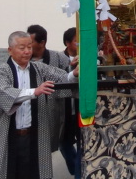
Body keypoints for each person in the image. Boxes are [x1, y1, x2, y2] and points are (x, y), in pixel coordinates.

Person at [0, 31, 77, 179]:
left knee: (35, 173)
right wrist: (35, 91)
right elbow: (5, 94)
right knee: (7, 173)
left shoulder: (39, 68)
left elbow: (62, 78)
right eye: (22, 48)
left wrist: (74, 73)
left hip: (35, 133)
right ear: (10, 50)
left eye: (29, 47)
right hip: (8, 135)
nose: (27, 51)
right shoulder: (1, 71)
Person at [26, 24, 70, 156]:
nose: (27, 45)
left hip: (53, 108)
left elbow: (67, 78)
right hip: (29, 107)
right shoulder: (23, 59)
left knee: (49, 146)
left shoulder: (59, 58)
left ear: (42, 42)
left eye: (31, 42)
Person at [60, 27, 80, 179]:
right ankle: (75, 168)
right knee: (64, 142)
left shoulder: (87, 56)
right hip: (64, 108)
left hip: (80, 107)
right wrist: (71, 68)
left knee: (82, 141)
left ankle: (79, 171)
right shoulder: (58, 58)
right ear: (67, 43)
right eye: (76, 41)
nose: (79, 44)